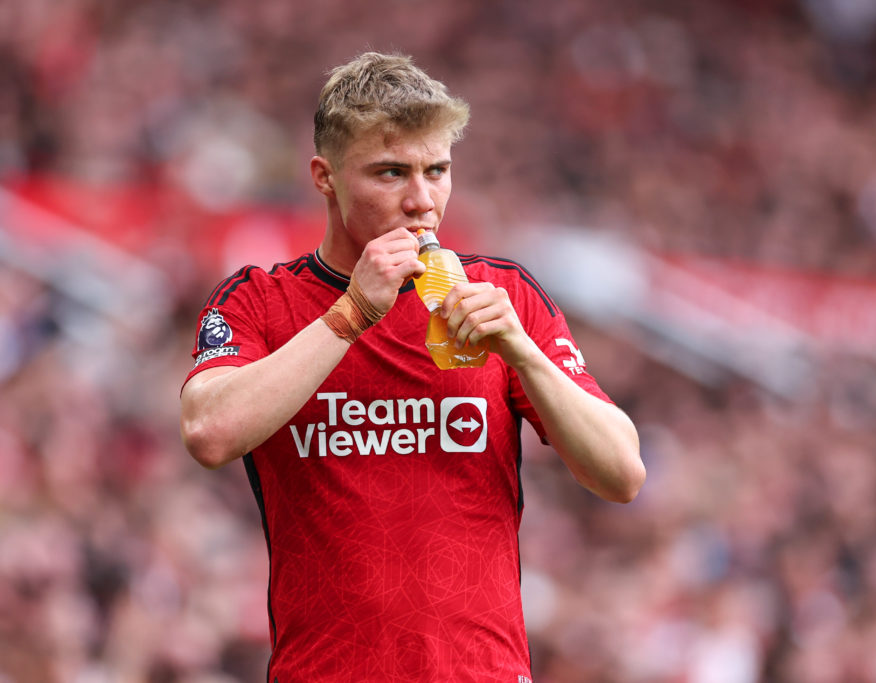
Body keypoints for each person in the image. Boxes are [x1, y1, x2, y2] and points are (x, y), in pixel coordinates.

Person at [179, 51, 645, 682]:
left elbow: (621, 474)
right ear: (325, 177)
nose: (422, 200)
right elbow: (209, 433)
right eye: (391, 173)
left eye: (438, 170)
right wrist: (351, 314)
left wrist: (521, 352)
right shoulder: (262, 300)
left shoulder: (502, 298)